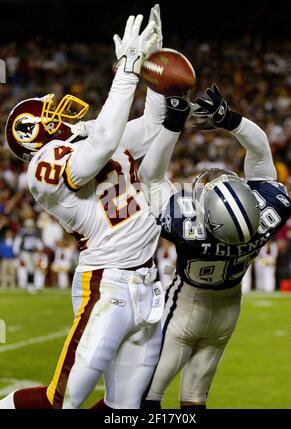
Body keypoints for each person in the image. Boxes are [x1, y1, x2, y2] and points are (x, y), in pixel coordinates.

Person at [0, 7, 171, 409]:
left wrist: (156, 74)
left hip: (146, 281)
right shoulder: (44, 165)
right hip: (105, 284)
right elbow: (105, 142)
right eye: (45, 113)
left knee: (125, 408)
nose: (54, 111)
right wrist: (128, 69)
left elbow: (150, 125)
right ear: (31, 135)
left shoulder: (87, 137)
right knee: (64, 399)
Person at [138, 85, 291, 409]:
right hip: (228, 311)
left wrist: (174, 123)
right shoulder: (271, 213)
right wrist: (229, 119)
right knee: (195, 400)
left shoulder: (189, 228)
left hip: (184, 311)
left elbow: (150, 177)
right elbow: (261, 151)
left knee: (147, 397)